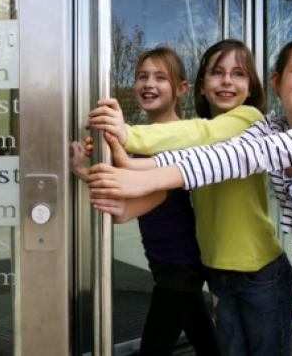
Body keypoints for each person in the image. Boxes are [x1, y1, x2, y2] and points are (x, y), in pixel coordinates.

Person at [88, 31, 292, 356]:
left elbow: (244, 156)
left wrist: (132, 143)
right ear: (277, 82)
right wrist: (131, 166)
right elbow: (210, 156)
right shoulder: (271, 127)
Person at [88, 40, 292, 356]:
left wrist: (128, 134)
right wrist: (111, 156)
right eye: (217, 72)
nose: (227, 81)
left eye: (238, 74)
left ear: (251, 86)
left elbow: (198, 134)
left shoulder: (249, 119)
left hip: (259, 270)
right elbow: (164, 164)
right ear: (200, 85)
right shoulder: (206, 131)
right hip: (217, 270)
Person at [72, 46, 219, 356]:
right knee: (205, 340)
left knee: (154, 348)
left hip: (181, 263)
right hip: (163, 259)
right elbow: (126, 184)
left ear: (180, 88)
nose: (149, 84)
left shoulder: (180, 134)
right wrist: (83, 170)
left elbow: (155, 190)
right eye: (142, 76)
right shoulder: (142, 135)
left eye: (160, 78)